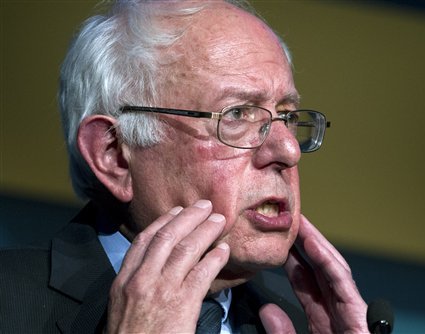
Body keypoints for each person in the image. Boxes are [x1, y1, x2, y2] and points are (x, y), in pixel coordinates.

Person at [0, 0, 368, 332]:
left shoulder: (306, 325)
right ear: (114, 154)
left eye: (286, 116)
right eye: (237, 114)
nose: (288, 149)